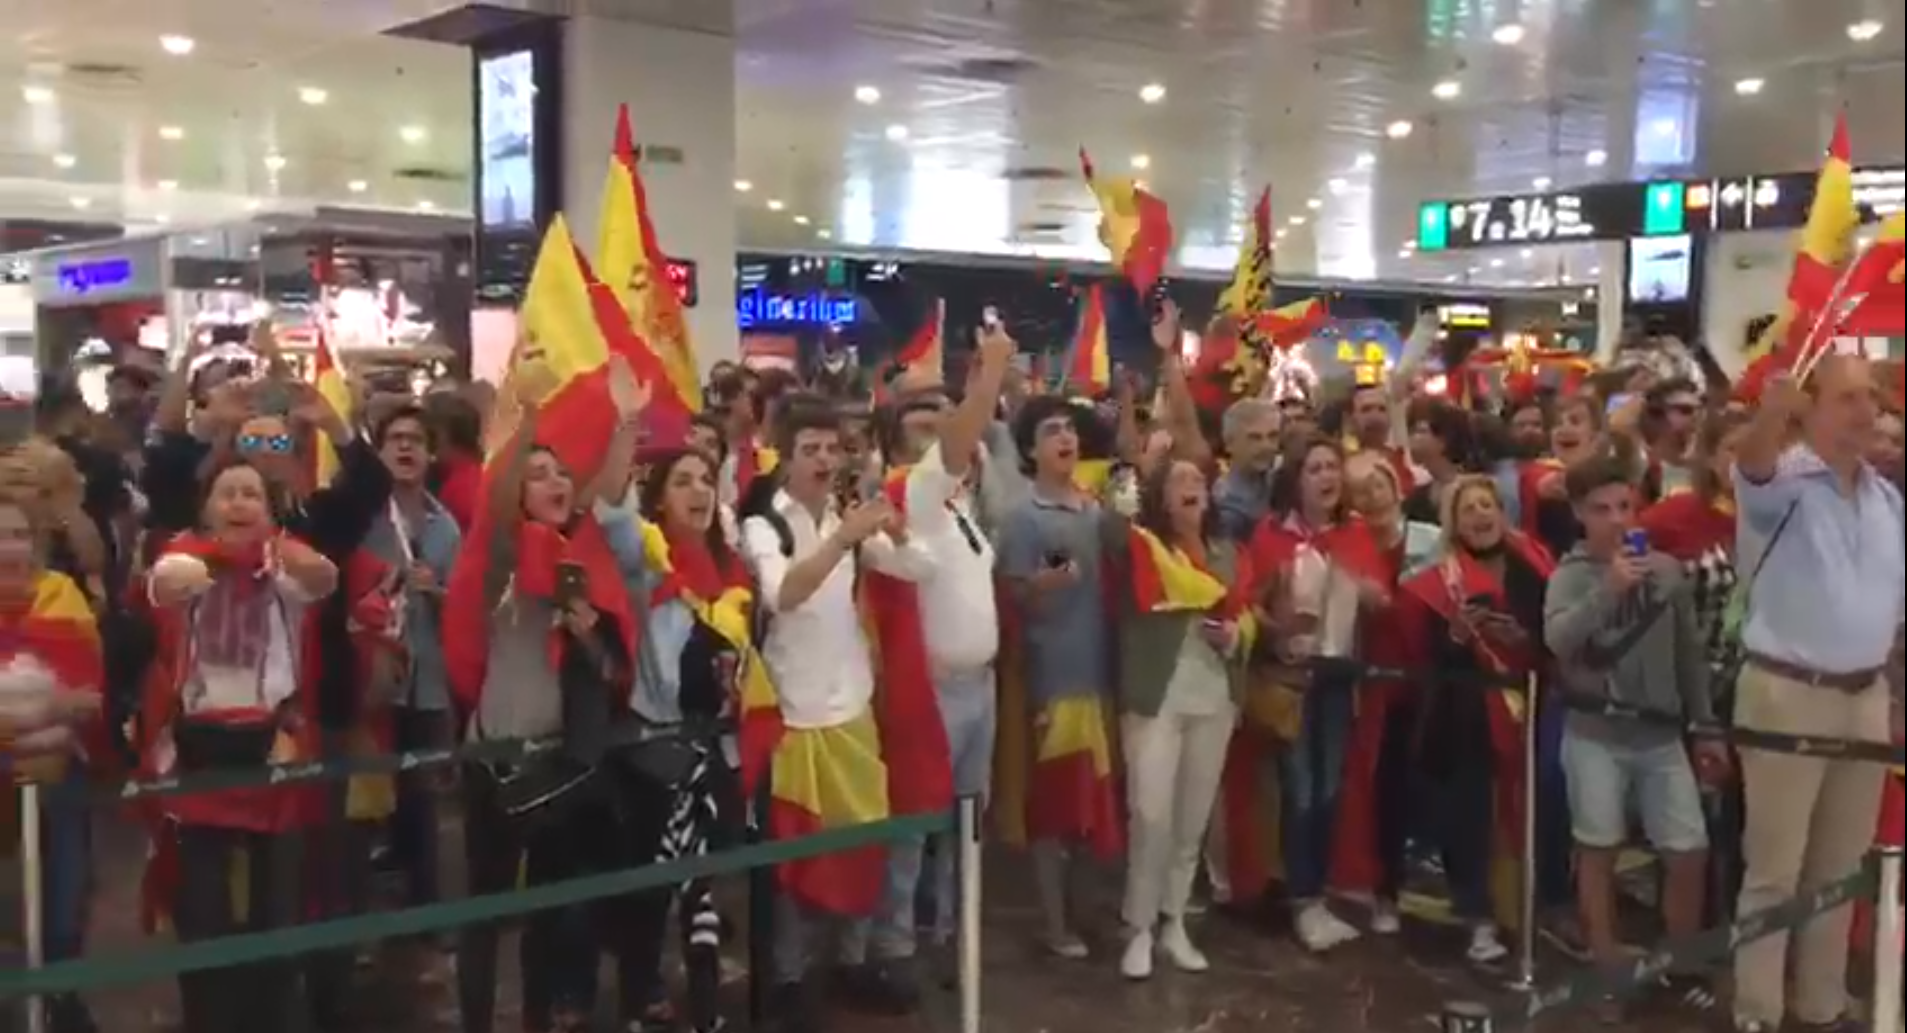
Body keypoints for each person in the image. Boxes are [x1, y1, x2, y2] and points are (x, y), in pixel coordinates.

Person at [442, 366, 644, 1033]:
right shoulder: (498, 552)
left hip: (558, 765)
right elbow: (498, 497)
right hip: (494, 756)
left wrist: (627, 421)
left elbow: (612, 667)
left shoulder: (583, 560)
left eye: (561, 473)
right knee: (484, 909)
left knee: (550, 915)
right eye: (539, 474)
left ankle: (532, 1018)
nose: (555, 483)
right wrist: (524, 414)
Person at [737, 398, 932, 1033]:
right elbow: (783, 594)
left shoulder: (848, 519)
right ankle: (789, 977)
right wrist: (843, 538)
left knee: (862, 843)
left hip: (852, 704)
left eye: (831, 449)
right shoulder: (766, 525)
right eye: (810, 450)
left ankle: (849, 963)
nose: (824, 460)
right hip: (793, 713)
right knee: (796, 860)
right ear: (785, 458)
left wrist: (894, 531)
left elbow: (917, 568)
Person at [1728, 358, 1905, 1033]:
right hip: (1787, 693)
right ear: (1813, 408)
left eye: (1870, 398)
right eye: (1847, 397)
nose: (1864, 411)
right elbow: (1749, 465)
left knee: (1837, 865)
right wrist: (1772, 412)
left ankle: (1820, 999)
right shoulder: (1786, 482)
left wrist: (1886, 689)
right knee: (1775, 865)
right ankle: (1757, 1009)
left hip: (1861, 695)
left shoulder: (1885, 500)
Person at [137, 459, 340, 1033]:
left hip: (272, 746)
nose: (239, 503)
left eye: (251, 494)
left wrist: (281, 554)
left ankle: (272, 1018)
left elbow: (325, 579)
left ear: (270, 511)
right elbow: (166, 580)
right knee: (202, 911)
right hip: (202, 749)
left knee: (278, 914)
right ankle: (206, 1019)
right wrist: (213, 560)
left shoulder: (288, 563)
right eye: (227, 493)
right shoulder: (183, 553)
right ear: (207, 508)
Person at [851, 325, 1010, 1010]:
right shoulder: (908, 494)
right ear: (894, 442)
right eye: (920, 424)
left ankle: (951, 934)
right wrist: (990, 376)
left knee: (962, 825)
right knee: (914, 823)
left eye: (941, 423)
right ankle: (893, 948)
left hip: (980, 684)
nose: (938, 434)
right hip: (931, 690)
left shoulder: (960, 506)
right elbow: (951, 451)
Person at [1546, 454, 1723, 1023]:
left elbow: (1686, 654)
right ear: (1579, 514)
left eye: (1625, 506)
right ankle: (1605, 966)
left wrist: (1705, 726)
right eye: (1602, 509)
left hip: (1661, 731)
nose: (1617, 519)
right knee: (1598, 846)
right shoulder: (1569, 575)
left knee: (1688, 849)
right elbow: (1558, 640)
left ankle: (1678, 958)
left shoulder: (1667, 571)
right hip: (1595, 731)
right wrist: (1609, 591)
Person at [1105, 456, 1252, 980]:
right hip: (1155, 698)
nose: (1192, 487)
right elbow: (1108, 527)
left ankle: (1173, 921)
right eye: (1178, 481)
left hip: (1213, 697)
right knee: (1150, 814)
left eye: (1198, 480)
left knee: (1191, 820)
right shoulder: (1142, 549)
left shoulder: (1227, 553)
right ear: (1160, 498)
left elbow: (1245, 616)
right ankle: (1139, 926)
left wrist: (1235, 637)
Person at [1241, 435, 1386, 952]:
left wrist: (1368, 593)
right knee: (1299, 789)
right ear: (1295, 479)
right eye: (1315, 468)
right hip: (1292, 679)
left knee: (1329, 790)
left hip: (1339, 675)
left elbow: (1380, 599)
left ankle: (1317, 893)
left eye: (1332, 467)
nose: (1327, 476)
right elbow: (1248, 603)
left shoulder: (1354, 532)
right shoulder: (1271, 536)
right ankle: (1302, 899)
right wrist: (1277, 630)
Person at [1398, 476, 1551, 964]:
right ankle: (1476, 914)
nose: (1481, 515)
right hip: (1465, 717)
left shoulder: (1533, 565)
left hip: (1530, 707)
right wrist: (1461, 637)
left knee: (1527, 812)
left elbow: (1552, 634)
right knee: (1468, 819)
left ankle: (1524, 908)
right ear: (1453, 522)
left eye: (1489, 505)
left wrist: (1520, 636)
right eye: (1469, 509)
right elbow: (1424, 657)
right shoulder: (1440, 578)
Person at [995, 392, 1124, 959]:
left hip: (1099, 676)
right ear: (1029, 449)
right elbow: (1014, 591)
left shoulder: (1096, 510)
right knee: (1053, 810)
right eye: (1051, 431)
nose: (1065, 439)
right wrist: (1042, 584)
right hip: (1052, 678)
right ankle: (1053, 922)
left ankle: (1090, 912)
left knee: (1093, 807)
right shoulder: (1022, 518)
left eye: (1070, 430)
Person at [1330, 450, 1441, 934]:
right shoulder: (1345, 549)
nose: (1369, 497)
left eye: (1377, 484)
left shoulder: (1433, 543)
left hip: (1429, 686)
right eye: (1357, 490)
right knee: (1377, 791)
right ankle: (1380, 887)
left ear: (1396, 487)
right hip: (1367, 688)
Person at [364, 405, 462, 946]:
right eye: (394, 439)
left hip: (426, 683)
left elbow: (466, 607)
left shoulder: (444, 526)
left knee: (422, 800)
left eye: (415, 440)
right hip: (373, 683)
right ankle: (364, 918)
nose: (405, 448)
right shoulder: (366, 518)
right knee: (368, 803)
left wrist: (436, 591)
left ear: (430, 453)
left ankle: (426, 911)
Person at [1211, 398, 1281, 541]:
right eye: (1254, 438)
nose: (1266, 446)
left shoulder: (1284, 481)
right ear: (1229, 443)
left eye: (1272, 436)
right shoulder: (1225, 507)